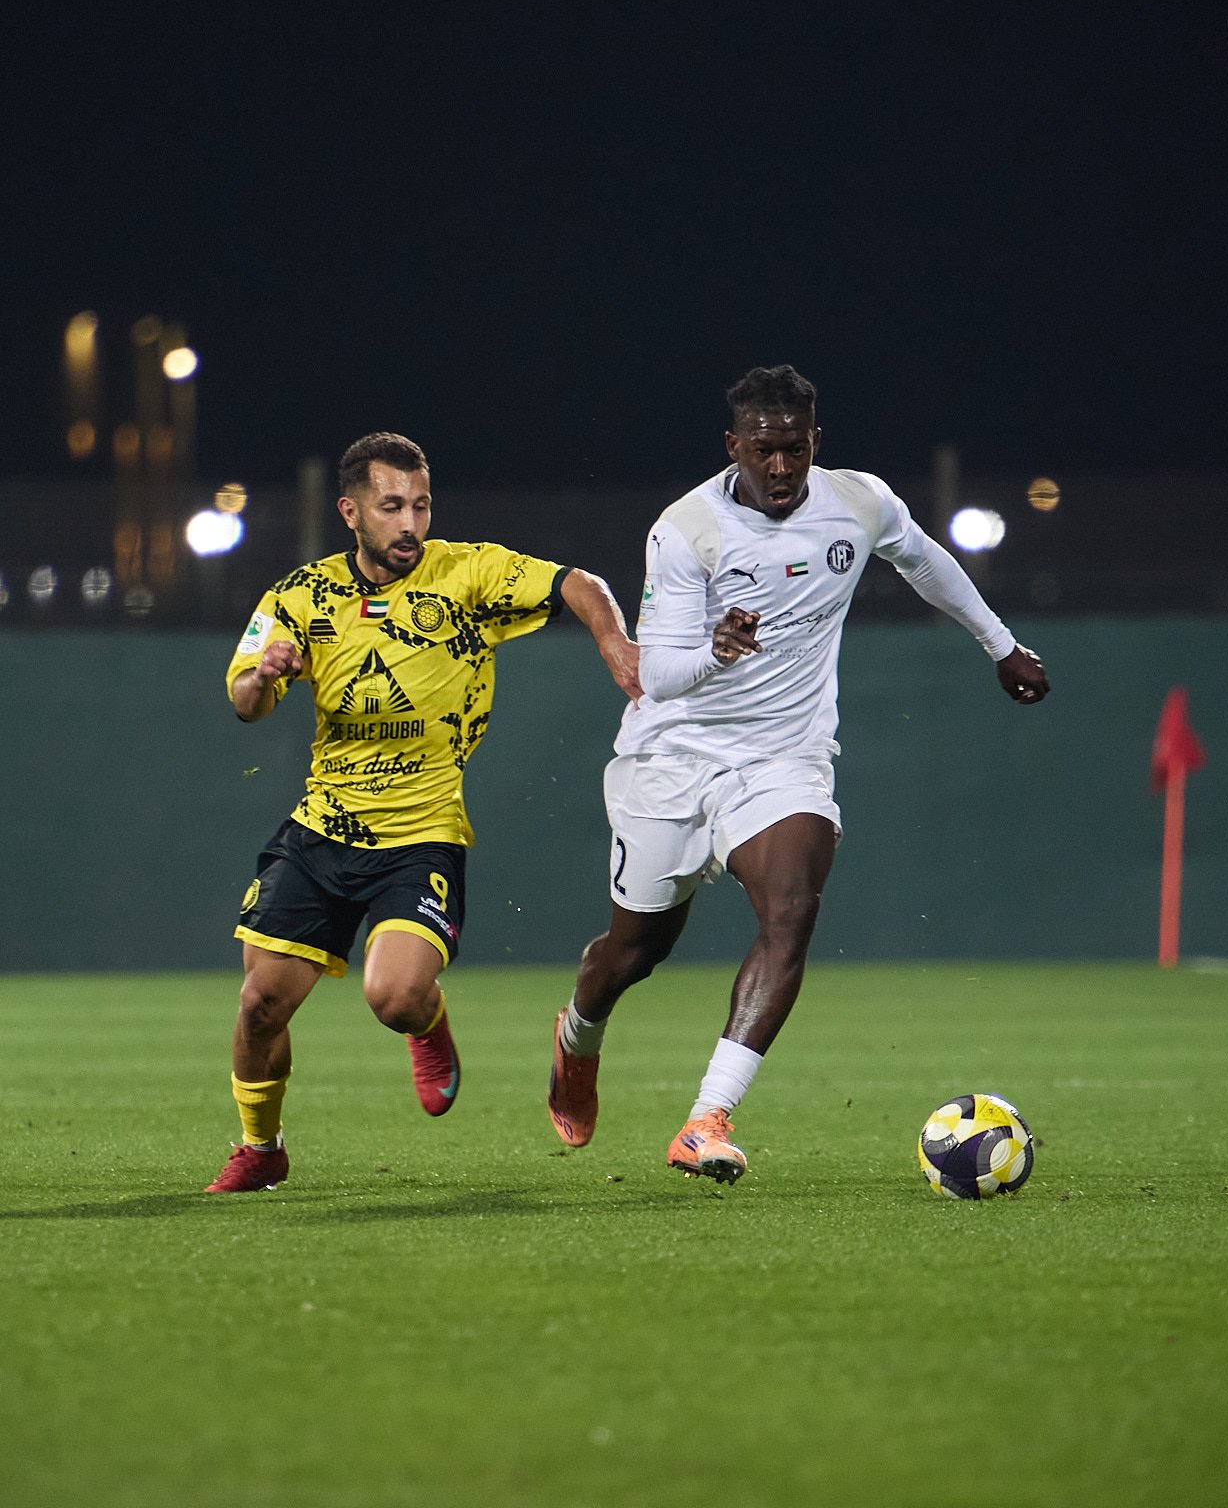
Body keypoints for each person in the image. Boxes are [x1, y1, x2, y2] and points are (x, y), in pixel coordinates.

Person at [547, 365, 1049, 1184]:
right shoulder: (687, 530)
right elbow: (655, 675)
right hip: (673, 755)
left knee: (791, 911)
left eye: (795, 449)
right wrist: (715, 651)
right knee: (634, 951)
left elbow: (925, 560)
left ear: (816, 442)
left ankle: (707, 1119)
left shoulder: (858, 501)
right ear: (733, 446)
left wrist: (1001, 644)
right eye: (763, 450)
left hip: (783, 757)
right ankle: (577, 1037)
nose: (780, 467)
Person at [206, 430, 639, 1193]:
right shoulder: (300, 595)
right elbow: (245, 701)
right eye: (391, 507)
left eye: (421, 505)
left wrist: (615, 642)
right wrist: (263, 676)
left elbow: (579, 582)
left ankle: (427, 1024)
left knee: (395, 997)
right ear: (350, 512)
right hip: (320, 832)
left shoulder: (466, 575)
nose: (410, 523)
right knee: (260, 1006)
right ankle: (261, 1148)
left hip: (420, 836)